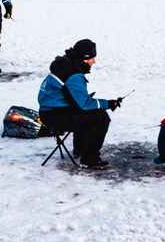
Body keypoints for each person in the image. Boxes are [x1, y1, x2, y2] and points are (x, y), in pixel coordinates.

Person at [37, 39, 120, 169]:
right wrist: (108, 104)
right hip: (53, 116)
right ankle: (90, 158)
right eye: (92, 57)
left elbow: (76, 101)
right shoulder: (73, 74)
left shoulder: (66, 66)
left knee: (85, 113)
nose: (94, 61)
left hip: (50, 112)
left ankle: (80, 150)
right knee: (100, 117)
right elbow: (85, 104)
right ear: (84, 58)